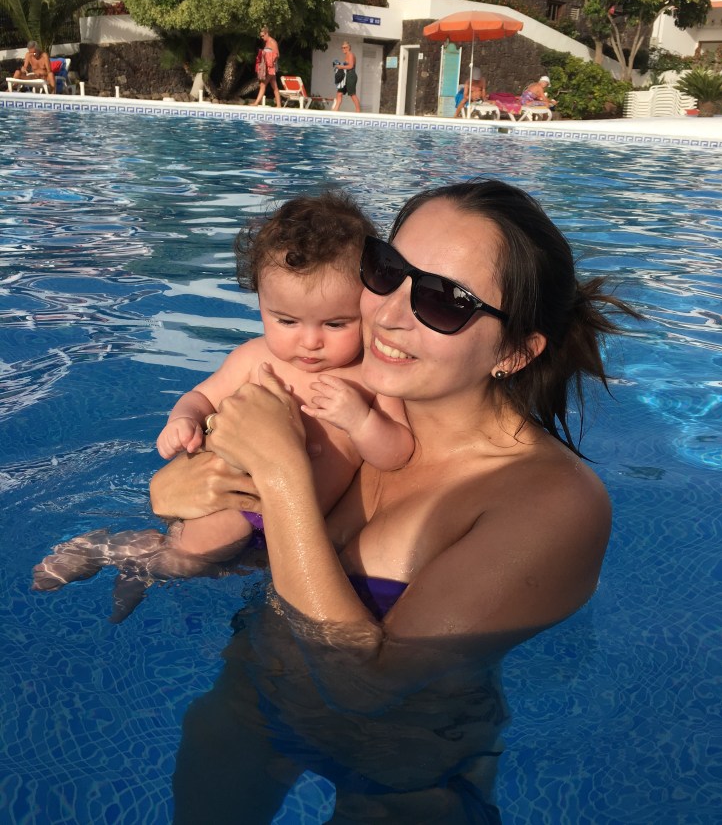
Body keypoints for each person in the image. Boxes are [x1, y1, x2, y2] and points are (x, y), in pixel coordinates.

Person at [151, 179, 635, 821]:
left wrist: (280, 472)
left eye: (444, 300)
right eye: (387, 270)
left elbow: (364, 687)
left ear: (515, 350)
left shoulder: (552, 502)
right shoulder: (356, 417)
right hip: (252, 700)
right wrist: (177, 491)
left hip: (402, 771)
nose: (389, 313)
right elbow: (253, 543)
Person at [32, 193, 414, 614]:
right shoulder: (255, 358)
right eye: (286, 320)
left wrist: (359, 420)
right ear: (260, 304)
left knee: (221, 567)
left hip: (292, 523)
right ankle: (108, 549)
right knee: (192, 554)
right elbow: (200, 396)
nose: (310, 341)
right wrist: (184, 420)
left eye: (336, 323)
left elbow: (397, 452)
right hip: (238, 502)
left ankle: (137, 564)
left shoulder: (372, 376)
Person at [251, 26, 282, 108]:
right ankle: (279, 105)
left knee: (263, 84)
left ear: (267, 34)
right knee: (274, 86)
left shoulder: (272, 42)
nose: (261, 37)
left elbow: (277, 54)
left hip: (271, 67)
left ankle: (256, 103)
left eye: (263, 35)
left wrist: (271, 62)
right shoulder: (267, 43)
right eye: (261, 36)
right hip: (268, 67)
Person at [332, 42, 361, 113]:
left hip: (351, 75)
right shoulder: (346, 55)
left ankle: (358, 112)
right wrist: (339, 66)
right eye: (342, 48)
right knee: (339, 93)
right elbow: (346, 66)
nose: (343, 49)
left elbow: (350, 66)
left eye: (345, 47)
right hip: (345, 76)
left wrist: (340, 66)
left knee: (352, 94)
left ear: (349, 48)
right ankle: (335, 111)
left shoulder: (350, 54)